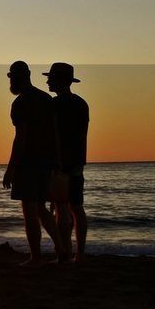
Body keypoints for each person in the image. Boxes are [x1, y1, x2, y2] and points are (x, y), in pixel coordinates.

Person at [1, 60, 64, 265]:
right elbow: (55, 132)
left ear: (17, 78)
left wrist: (11, 168)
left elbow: (21, 137)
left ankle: (35, 256)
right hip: (46, 161)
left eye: (11, 77)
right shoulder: (46, 99)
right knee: (41, 209)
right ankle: (61, 249)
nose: (10, 82)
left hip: (28, 162)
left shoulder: (20, 103)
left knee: (30, 211)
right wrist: (56, 160)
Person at [45, 62, 89, 262]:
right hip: (77, 160)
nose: (47, 81)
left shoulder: (54, 105)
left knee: (60, 206)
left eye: (50, 78)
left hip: (59, 161)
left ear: (58, 81)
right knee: (77, 207)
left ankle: (64, 250)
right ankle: (79, 253)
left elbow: (51, 134)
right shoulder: (81, 103)